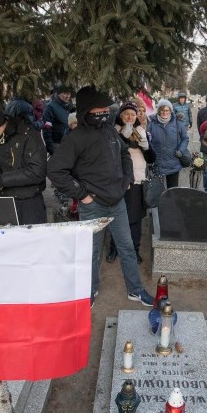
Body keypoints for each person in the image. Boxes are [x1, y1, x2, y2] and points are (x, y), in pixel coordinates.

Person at [47, 85, 153, 307]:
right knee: (92, 252)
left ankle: (135, 289)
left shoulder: (109, 131)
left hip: (117, 202)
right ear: (87, 111)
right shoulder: (76, 138)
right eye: (100, 109)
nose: (105, 112)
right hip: (92, 205)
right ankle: (90, 291)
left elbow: (124, 154)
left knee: (126, 247)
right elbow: (56, 171)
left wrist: (127, 180)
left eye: (107, 108)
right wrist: (82, 195)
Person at [0, 102, 48, 225]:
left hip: (30, 202)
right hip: (7, 200)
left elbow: (36, 172)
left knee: (33, 241)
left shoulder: (28, 135)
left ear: (1, 125)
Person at [106, 101, 155, 264]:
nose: (130, 117)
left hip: (137, 180)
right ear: (121, 115)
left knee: (135, 218)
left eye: (133, 115)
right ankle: (114, 248)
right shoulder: (114, 132)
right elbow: (111, 153)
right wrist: (122, 138)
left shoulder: (141, 131)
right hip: (119, 180)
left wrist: (146, 147)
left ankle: (134, 250)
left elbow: (151, 159)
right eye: (126, 114)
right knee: (116, 216)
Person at [147, 99, 189, 188]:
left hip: (173, 163)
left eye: (167, 110)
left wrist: (181, 150)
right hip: (158, 164)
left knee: (172, 193)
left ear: (170, 111)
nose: (164, 112)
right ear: (158, 111)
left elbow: (185, 139)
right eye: (162, 110)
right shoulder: (152, 124)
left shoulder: (178, 123)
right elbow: (148, 141)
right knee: (157, 192)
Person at [43, 84, 74, 154]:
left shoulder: (66, 107)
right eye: (65, 93)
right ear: (58, 94)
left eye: (69, 93)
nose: (68, 96)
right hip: (57, 146)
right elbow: (46, 129)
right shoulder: (50, 107)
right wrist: (51, 147)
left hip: (67, 144)